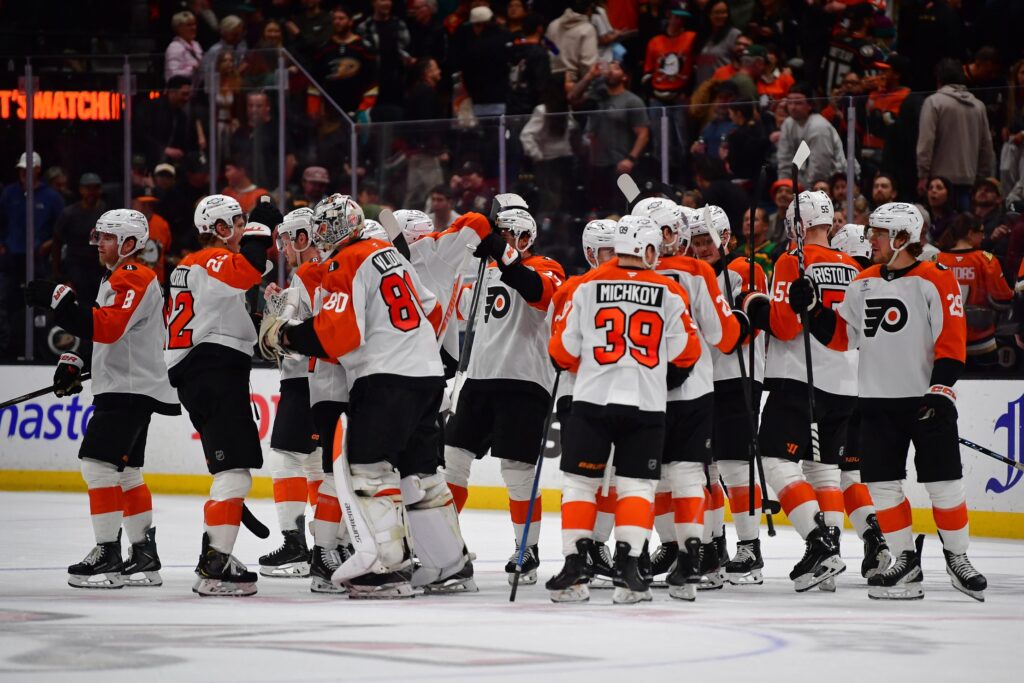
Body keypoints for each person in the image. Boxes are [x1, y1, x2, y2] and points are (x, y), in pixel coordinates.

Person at [262, 194, 474, 598]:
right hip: (427, 375)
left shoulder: (345, 261)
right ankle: (449, 566)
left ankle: (386, 568)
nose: (320, 236)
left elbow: (339, 336)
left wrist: (286, 335)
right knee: (421, 475)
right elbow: (431, 311)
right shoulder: (392, 256)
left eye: (324, 227)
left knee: (370, 470)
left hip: (384, 379)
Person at [797, 202, 987, 602]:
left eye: (879, 234)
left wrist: (941, 389)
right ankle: (905, 559)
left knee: (944, 484)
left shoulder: (935, 278)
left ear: (903, 237)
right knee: (883, 487)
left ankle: (957, 557)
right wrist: (812, 310)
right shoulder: (863, 281)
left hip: (926, 401)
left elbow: (952, 341)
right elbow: (843, 337)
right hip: (876, 404)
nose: (871, 240)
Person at [548, 215, 701, 604]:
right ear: (647, 249)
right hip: (646, 403)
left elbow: (561, 351)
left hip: (592, 400)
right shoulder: (669, 290)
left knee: (581, 484)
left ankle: (575, 567)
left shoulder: (586, 286)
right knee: (636, 486)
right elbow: (688, 351)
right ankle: (629, 572)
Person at [24, 209, 179, 588]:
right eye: (100, 236)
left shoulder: (134, 276)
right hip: (128, 386)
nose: (99, 243)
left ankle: (107, 555)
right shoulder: (116, 277)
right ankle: (143, 557)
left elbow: (107, 327)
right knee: (126, 473)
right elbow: (102, 328)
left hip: (129, 389)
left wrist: (59, 303)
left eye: (108, 237)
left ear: (129, 243)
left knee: (97, 466)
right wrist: (75, 360)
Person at [741, 190, 859, 592]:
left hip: (799, 377)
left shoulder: (793, 260)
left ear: (798, 224)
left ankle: (818, 542)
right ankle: (831, 555)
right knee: (824, 470)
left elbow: (784, 325)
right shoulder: (853, 266)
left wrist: (753, 303)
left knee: (775, 459)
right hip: (845, 381)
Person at [444, 206, 565, 586]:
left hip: (524, 382)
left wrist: (500, 250)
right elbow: (456, 306)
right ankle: (443, 547)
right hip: (479, 379)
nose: (499, 242)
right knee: (452, 461)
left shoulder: (548, 267)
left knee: (517, 471)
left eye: (507, 235)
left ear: (526, 238)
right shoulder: (486, 271)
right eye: (498, 236)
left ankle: (527, 549)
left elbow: (538, 292)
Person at [165, 194, 277, 596]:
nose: (243, 229)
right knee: (233, 474)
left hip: (202, 371)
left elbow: (244, 277)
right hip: (213, 370)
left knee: (229, 472)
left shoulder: (192, 265)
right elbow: (248, 269)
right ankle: (215, 564)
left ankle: (216, 554)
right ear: (221, 228)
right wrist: (262, 228)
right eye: (239, 223)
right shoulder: (211, 259)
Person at [647, 202, 743, 596]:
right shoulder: (696, 271)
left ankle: (669, 548)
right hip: (693, 388)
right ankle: (697, 554)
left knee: (652, 476)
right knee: (692, 475)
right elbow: (724, 336)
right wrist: (741, 317)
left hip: (645, 389)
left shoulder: (625, 273)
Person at [687, 202, 769, 585]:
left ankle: (750, 548)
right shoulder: (693, 276)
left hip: (739, 377)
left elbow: (751, 325)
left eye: (708, 240)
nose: (702, 247)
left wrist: (738, 321)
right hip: (703, 381)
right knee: (707, 469)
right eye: (696, 241)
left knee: (736, 465)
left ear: (725, 238)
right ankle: (712, 547)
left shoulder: (743, 269)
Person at [547, 218, 618, 589]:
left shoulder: (624, 286)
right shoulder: (573, 288)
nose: (614, 257)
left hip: (614, 393)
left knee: (612, 477)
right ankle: (577, 551)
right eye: (608, 251)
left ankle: (597, 546)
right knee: (582, 477)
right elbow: (558, 345)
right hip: (576, 393)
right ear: (591, 253)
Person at [256, 208, 324, 578]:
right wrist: (282, 303)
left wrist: (279, 324)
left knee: (286, 460)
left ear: (303, 238)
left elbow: (309, 334)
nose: (281, 249)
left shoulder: (308, 273)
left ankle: (296, 547)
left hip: (306, 380)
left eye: (285, 240)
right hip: (319, 382)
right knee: (314, 464)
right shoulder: (318, 273)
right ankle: (329, 545)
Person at [828, 223, 892, 580]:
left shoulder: (845, 281)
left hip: (835, 387)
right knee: (852, 473)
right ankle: (874, 536)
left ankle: (828, 548)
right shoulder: (883, 282)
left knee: (825, 472)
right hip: (872, 391)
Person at [394, 209, 488, 369]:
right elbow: (478, 221)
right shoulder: (431, 257)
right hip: (435, 357)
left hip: (402, 355)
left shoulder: (425, 254)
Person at [0, 152, 64, 359]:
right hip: (12, 258)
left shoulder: (51, 196)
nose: (23, 172)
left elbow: (61, 228)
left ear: (37, 170)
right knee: (8, 302)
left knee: (40, 303)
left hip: (39, 259)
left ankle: (40, 349)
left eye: (27, 169)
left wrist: (49, 244)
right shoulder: (9, 193)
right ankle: (9, 350)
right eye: (21, 169)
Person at [936, 214, 1014, 368]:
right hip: (982, 340)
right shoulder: (986, 259)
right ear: (970, 233)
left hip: (945, 342)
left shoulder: (935, 260)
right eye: (982, 232)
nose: (984, 237)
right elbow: (1002, 299)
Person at [916, 59, 995, 209]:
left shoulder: (933, 102)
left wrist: (923, 175)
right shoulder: (978, 106)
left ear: (938, 79)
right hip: (969, 180)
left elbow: (926, 143)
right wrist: (981, 177)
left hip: (939, 184)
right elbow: (987, 146)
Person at [572, 61, 649, 213]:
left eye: (617, 68)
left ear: (625, 77)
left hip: (622, 165)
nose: (611, 71)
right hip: (597, 164)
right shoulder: (597, 98)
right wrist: (589, 76)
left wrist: (631, 159)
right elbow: (573, 97)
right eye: (610, 67)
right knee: (601, 209)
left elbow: (643, 134)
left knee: (628, 207)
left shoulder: (632, 101)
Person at [778, 83, 853, 188]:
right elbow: (784, 161)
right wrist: (784, 187)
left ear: (810, 105)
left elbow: (820, 170)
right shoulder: (788, 124)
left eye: (798, 103)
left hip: (831, 183)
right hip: (801, 182)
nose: (793, 107)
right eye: (790, 102)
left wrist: (807, 193)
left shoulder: (819, 127)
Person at [52, 173, 107, 309]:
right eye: (88, 188)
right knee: (79, 309)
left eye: (95, 188)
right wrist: (58, 274)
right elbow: (57, 242)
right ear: (81, 189)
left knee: (100, 309)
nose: (91, 192)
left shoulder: (107, 212)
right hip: (75, 270)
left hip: (100, 269)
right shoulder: (69, 213)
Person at [546, 0, 599, 81]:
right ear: (588, 10)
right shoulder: (587, 29)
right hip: (575, 80)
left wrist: (559, 55)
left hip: (552, 78)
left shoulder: (553, 25)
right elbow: (587, 64)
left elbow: (548, 47)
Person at [165, 11, 204, 82]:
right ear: (178, 28)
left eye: (194, 24)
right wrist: (192, 70)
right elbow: (172, 74)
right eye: (189, 25)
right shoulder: (175, 47)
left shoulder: (196, 45)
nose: (194, 28)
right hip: (181, 88)